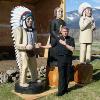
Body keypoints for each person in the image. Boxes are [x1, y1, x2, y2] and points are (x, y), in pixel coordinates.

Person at [40, 26, 75, 96]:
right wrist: (42, 46)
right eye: (64, 31)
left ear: (68, 32)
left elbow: (72, 49)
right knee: (62, 75)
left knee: (67, 75)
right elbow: (50, 45)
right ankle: (60, 91)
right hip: (61, 59)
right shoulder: (58, 39)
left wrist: (65, 44)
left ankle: (65, 89)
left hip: (68, 59)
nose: (65, 32)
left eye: (66, 31)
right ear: (61, 32)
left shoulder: (71, 39)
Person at [10, 6, 40, 87]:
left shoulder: (34, 31)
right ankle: (22, 82)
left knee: (34, 65)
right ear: (24, 20)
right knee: (25, 66)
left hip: (32, 51)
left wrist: (36, 45)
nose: (30, 21)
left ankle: (35, 79)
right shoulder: (19, 30)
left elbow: (34, 42)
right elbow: (17, 44)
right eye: (28, 19)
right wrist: (25, 47)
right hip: (24, 51)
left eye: (31, 19)